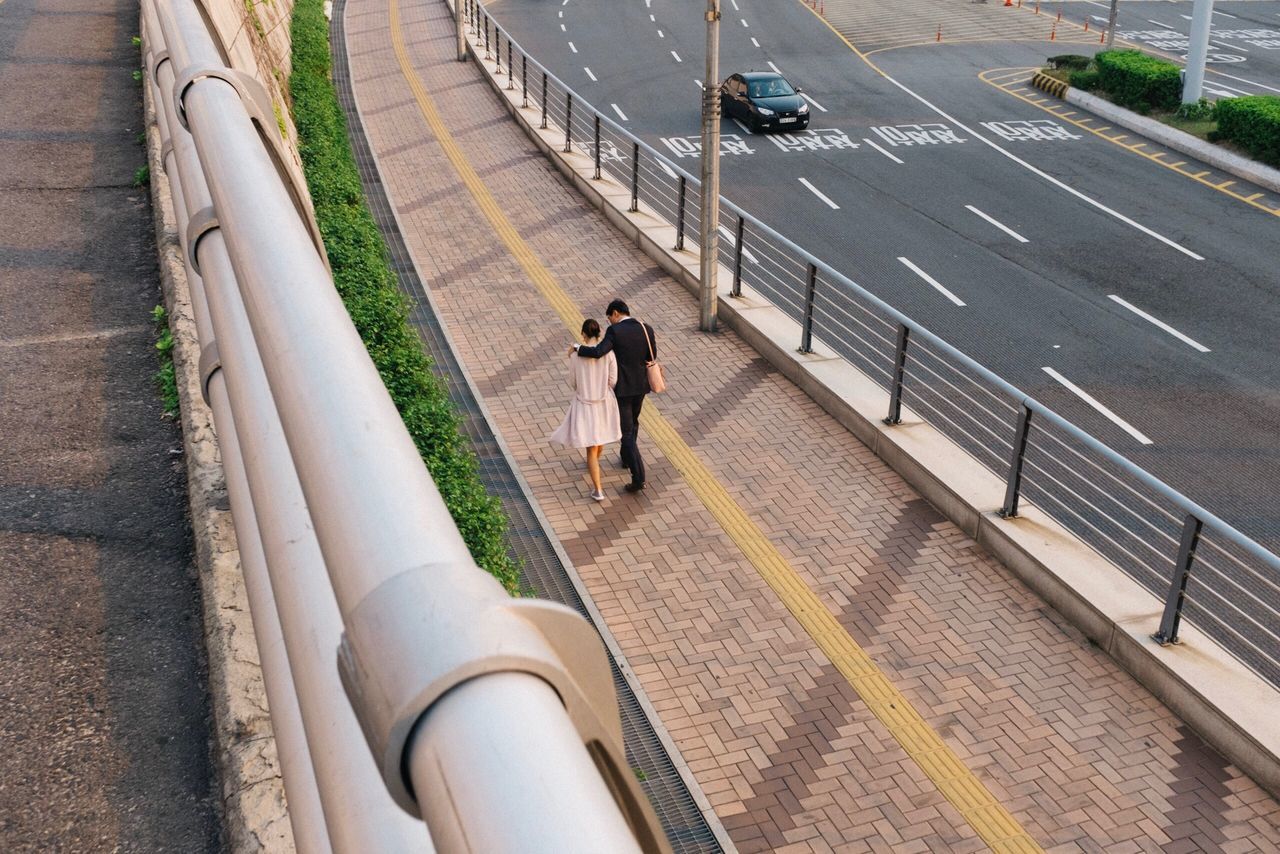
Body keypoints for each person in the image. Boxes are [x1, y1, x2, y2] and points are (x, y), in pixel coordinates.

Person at [571, 299, 656, 493]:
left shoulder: (615, 332)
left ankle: (639, 477)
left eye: (610, 318)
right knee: (633, 423)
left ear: (615, 313)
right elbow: (651, 357)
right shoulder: (646, 328)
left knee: (625, 433)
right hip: (641, 386)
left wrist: (577, 348)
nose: (609, 322)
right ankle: (627, 458)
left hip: (623, 389)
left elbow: (599, 351)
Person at [550, 319, 621, 501]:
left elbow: (573, 382)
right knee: (600, 437)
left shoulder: (575, 356)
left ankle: (598, 490)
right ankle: (595, 464)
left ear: (583, 334)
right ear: (599, 333)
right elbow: (613, 380)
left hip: (585, 404)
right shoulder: (609, 354)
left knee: (590, 447)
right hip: (603, 401)